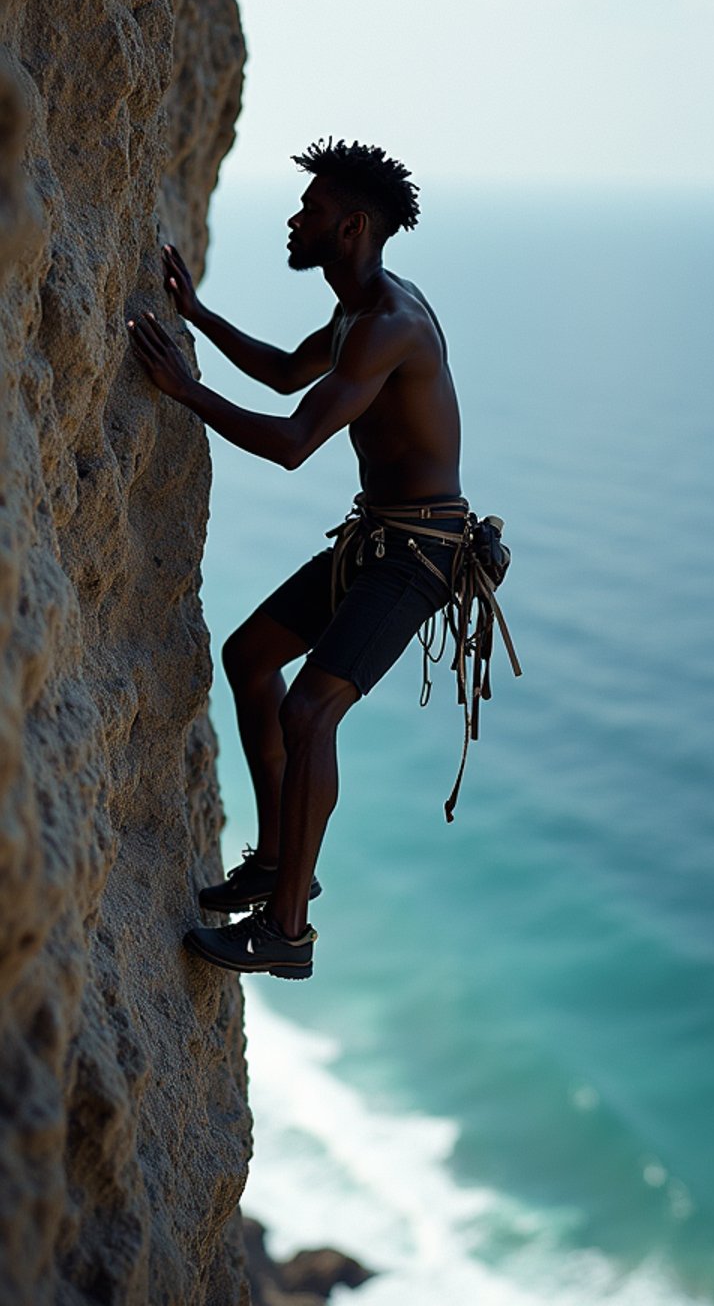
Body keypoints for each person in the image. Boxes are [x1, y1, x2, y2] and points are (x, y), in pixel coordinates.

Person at [128, 138, 466, 982]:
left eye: (311, 210)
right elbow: (284, 375)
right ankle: (281, 861)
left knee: (311, 713)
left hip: (418, 556)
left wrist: (185, 390)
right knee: (249, 659)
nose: (296, 218)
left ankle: (288, 932)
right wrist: (200, 319)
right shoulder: (356, 310)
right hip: (377, 537)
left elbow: (289, 444)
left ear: (349, 227)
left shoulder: (388, 323)